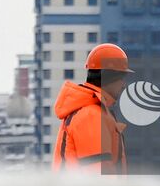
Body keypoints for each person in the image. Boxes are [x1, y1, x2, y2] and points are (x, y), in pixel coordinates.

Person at [52, 42, 131, 174]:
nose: (123, 85)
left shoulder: (93, 111)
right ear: (108, 77)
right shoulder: (91, 115)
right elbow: (97, 175)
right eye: (121, 78)